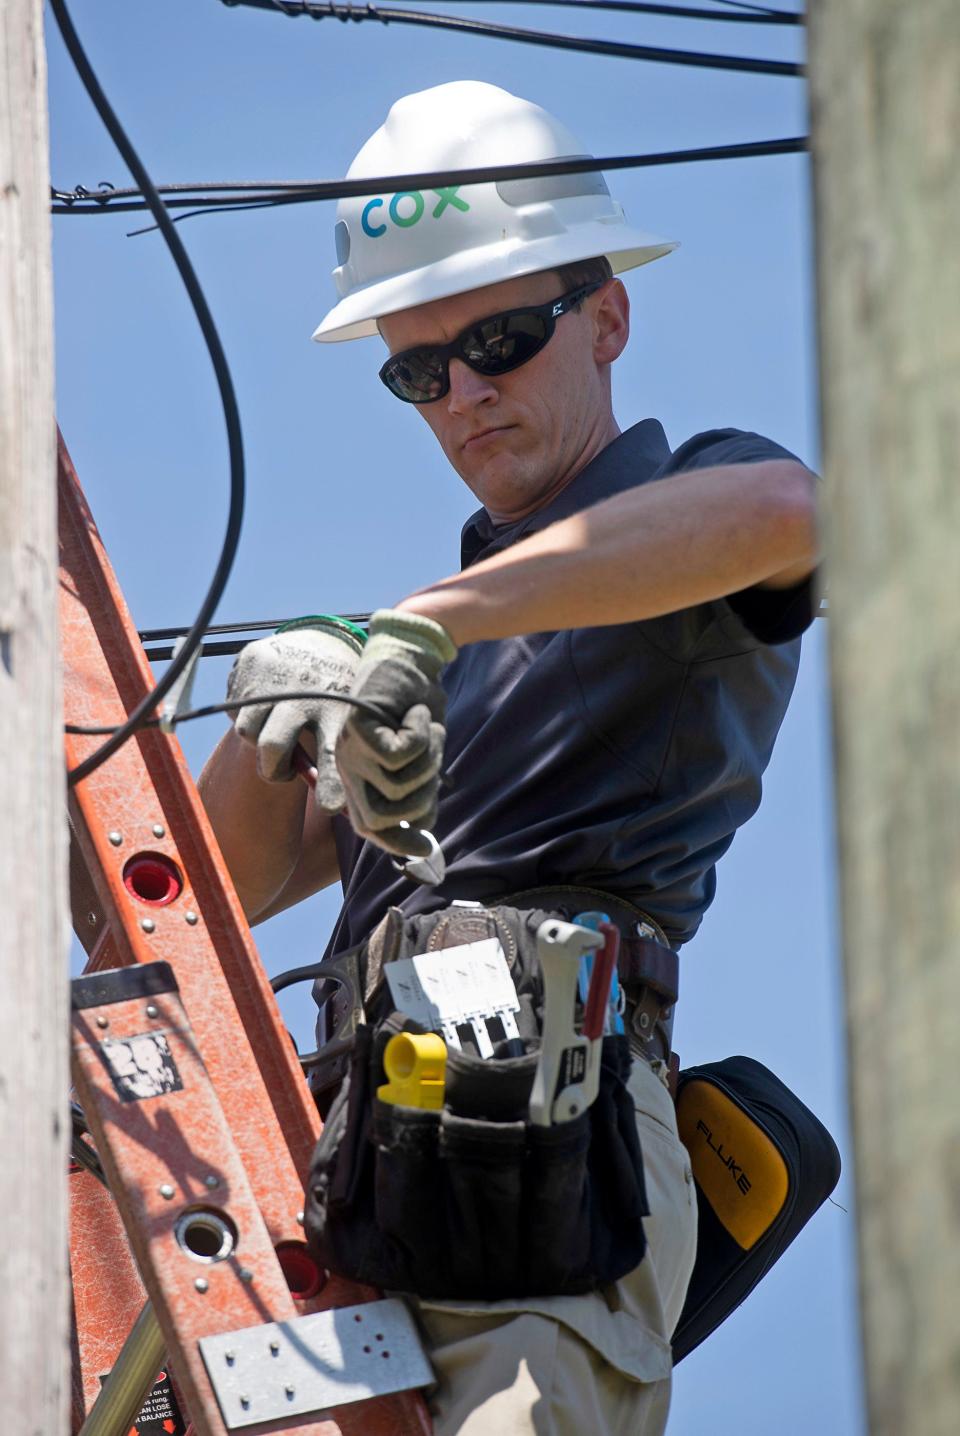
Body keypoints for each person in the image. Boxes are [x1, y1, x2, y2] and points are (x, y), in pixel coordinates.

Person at [199, 81, 819, 1436]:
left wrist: (411, 624)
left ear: (608, 316)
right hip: (360, 1157)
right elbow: (218, 902)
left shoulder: (687, 506)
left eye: (501, 339)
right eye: (420, 370)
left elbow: (784, 515)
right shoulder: (441, 648)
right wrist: (275, 711)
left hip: (537, 1136)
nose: (465, 393)